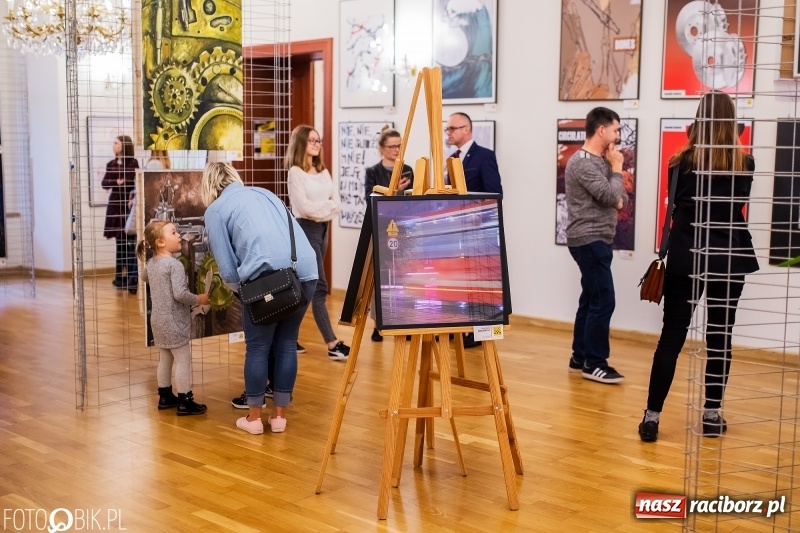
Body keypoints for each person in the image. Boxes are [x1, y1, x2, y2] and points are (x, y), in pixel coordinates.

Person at [638, 92, 758, 443]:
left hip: (688, 255)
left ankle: (652, 418)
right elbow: (737, 205)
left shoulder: (680, 162)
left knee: (671, 338)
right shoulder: (744, 164)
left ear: (699, 119)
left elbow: (675, 207)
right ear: (731, 122)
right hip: (730, 257)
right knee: (720, 338)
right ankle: (710, 414)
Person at [202, 162, 317, 435]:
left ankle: (253, 420)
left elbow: (229, 270)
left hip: (266, 282)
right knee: (287, 344)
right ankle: (279, 418)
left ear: (208, 186)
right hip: (305, 273)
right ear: (235, 177)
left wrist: (244, 295)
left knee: (257, 348)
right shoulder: (265, 193)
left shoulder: (215, 211)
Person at [565, 107, 628, 384]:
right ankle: (595, 363)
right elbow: (610, 194)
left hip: (599, 238)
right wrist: (616, 169)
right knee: (604, 300)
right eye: (615, 129)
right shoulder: (582, 163)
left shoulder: (600, 161)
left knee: (591, 298)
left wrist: (614, 184)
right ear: (601, 130)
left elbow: (620, 198)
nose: (618, 135)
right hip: (588, 239)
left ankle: (579, 356)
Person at [286, 125, 351, 361]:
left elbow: (338, 203)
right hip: (305, 230)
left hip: (323, 231)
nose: (316, 144)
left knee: (307, 288)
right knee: (320, 288)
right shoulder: (295, 172)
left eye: (318, 140)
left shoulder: (323, 171)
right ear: (301, 143)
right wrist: (326, 209)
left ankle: (288, 338)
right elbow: (303, 209)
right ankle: (333, 343)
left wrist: (322, 211)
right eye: (312, 140)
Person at [137, 220, 210, 415]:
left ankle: (165, 396)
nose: (179, 236)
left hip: (158, 321)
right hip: (175, 322)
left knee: (165, 359)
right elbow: (180, 294)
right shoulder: (174, 265)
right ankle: (185, 400)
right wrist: (199, 298)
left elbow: (144, 277)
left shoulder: (152, 263)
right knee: (183, 360)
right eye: (174, 232)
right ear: (160, 242)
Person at [445, 112, 503, 348]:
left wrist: (478, 213)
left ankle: (479, 331)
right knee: (460, 279)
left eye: (452, 129)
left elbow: (494, 193)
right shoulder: (452, 158)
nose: (448, 133)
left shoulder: (484, 156)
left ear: (466, 129)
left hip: (479, 231)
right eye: (447, 129)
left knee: (480, 281)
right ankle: (460, 326)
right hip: (458, 230)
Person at [364, 126, 414, 342]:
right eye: (393, 146)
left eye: (400, 146)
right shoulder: (373, 172)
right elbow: (371, 200)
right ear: (382, 148)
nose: (397, 150)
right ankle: (378, 324)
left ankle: (405, 320)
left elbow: (412, 203)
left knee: (404, 276)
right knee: (380, 279)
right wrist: (394, 191)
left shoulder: (408, 169)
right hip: (381, 230)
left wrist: (401, 193)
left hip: (404, 231)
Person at [102, 135, 139, 294]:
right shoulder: (110, 164)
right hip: (115, 206)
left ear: (124, 145)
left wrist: (122, 182)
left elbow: (133, 180)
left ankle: (129, 277)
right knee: (119, 243)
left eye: (116, 143)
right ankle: (119, 276)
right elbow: (105, 183)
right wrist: (116, 182)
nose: (113, 145)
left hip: (128, 205)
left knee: (130, 242)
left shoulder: (133, 163)